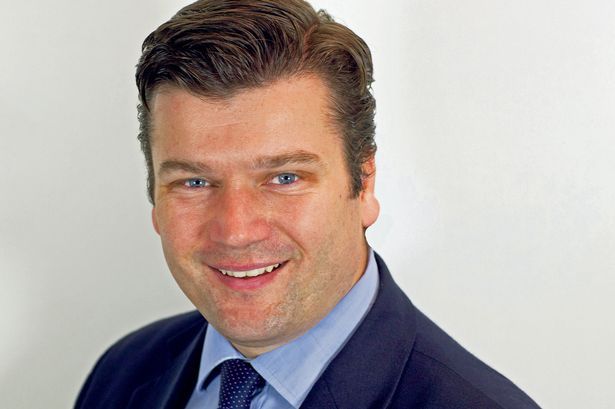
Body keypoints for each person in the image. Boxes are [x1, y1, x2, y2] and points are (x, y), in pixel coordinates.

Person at [76, 1, 541, 408]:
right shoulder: (123, 374)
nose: (236, 230)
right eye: (194, 182)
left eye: (284, 178)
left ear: (363, 185)